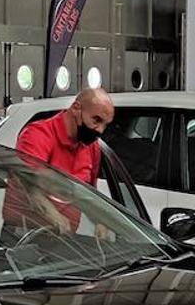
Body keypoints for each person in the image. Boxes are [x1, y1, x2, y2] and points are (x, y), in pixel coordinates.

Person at [7, 88, 116, 234]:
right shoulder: (38, 136)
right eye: (96, 120)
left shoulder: (91, 147)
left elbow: (89, 194)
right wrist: (55, 217)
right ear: (76, 108)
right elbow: (30, 186)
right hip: (23, 236)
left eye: (105, 124)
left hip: (62, 240)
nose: (100, 130)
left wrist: (100, 221)